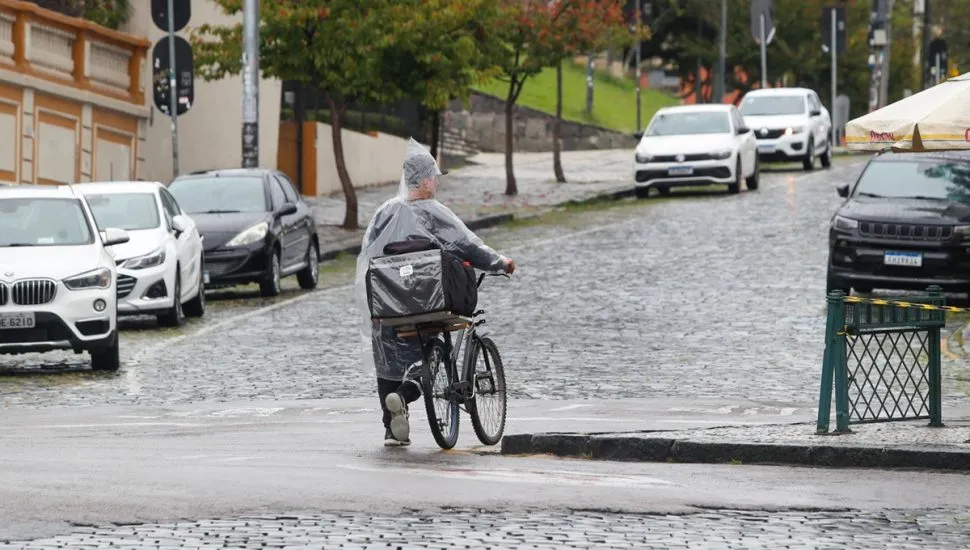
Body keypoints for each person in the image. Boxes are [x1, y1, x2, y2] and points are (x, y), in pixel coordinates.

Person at [354, 138, 515, 447]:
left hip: (386, 305)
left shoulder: (384, 213)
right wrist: (500, 263)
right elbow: (469, 245)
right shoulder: (434, 212)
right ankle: (403, 396)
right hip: (426, 304)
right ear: (426, 180)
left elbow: (366, 256)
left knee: (387, 363)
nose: (436, 185)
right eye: (434, 179)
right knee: (422, 360)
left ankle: (391, 428)